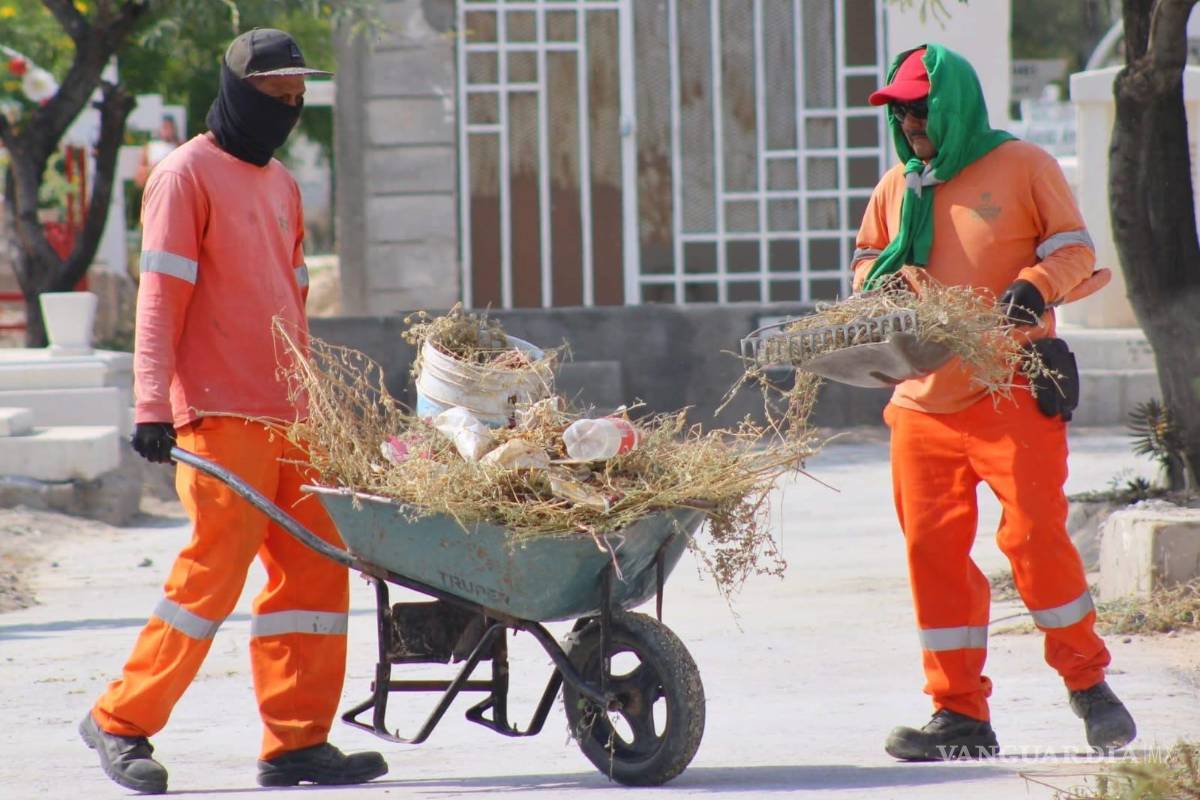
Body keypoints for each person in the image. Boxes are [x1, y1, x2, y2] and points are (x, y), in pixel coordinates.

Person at [79, 29, 388, 793]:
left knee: (317, 575)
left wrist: (320, 402)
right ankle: (120, 721)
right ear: (237, 93)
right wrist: (153, 404)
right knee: (211, 576)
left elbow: (293, 301)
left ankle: (295, 743)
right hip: (218, 415)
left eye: (296, 99)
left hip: (293, 416)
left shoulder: (282, 184)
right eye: (273, 96)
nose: (286, 109)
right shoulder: (184, 176)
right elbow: (160, 301)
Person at [852, 44, 1137, 762]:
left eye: (921, 108)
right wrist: (873, 290)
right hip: (921, 405)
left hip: (1011, 389)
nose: (912, 123)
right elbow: (866, 259)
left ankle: (1088, 685)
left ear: (953, 105)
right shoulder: (898, 187)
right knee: (932, 554)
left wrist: (1036, 284)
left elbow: (1076, 249)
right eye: (902, 112)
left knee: (1035, 540)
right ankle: (959, 716)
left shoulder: (1024, 166)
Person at [134, 115, 182, 189]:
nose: (168, 131)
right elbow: (140, 176)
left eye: (170, 127)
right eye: (165, 127)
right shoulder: (149, 147)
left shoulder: (181, 147)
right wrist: (152, 169)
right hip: (154, 186)